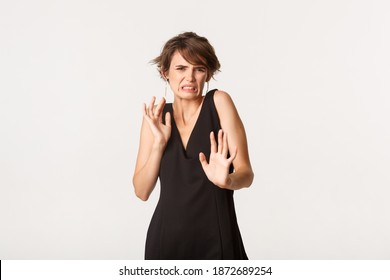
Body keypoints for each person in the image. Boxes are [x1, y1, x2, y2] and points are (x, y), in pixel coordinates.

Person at [133, 32, 254, 260]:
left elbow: (246, 174)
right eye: (181, 68)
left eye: (198, 69)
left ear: (207, 74)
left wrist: (227, 181)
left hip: (217, 240)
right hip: (165, 241)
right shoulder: (157, 117)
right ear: (165, 72)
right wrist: (159, 144)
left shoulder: (219, 102)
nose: (189, 77)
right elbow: (141, 191)